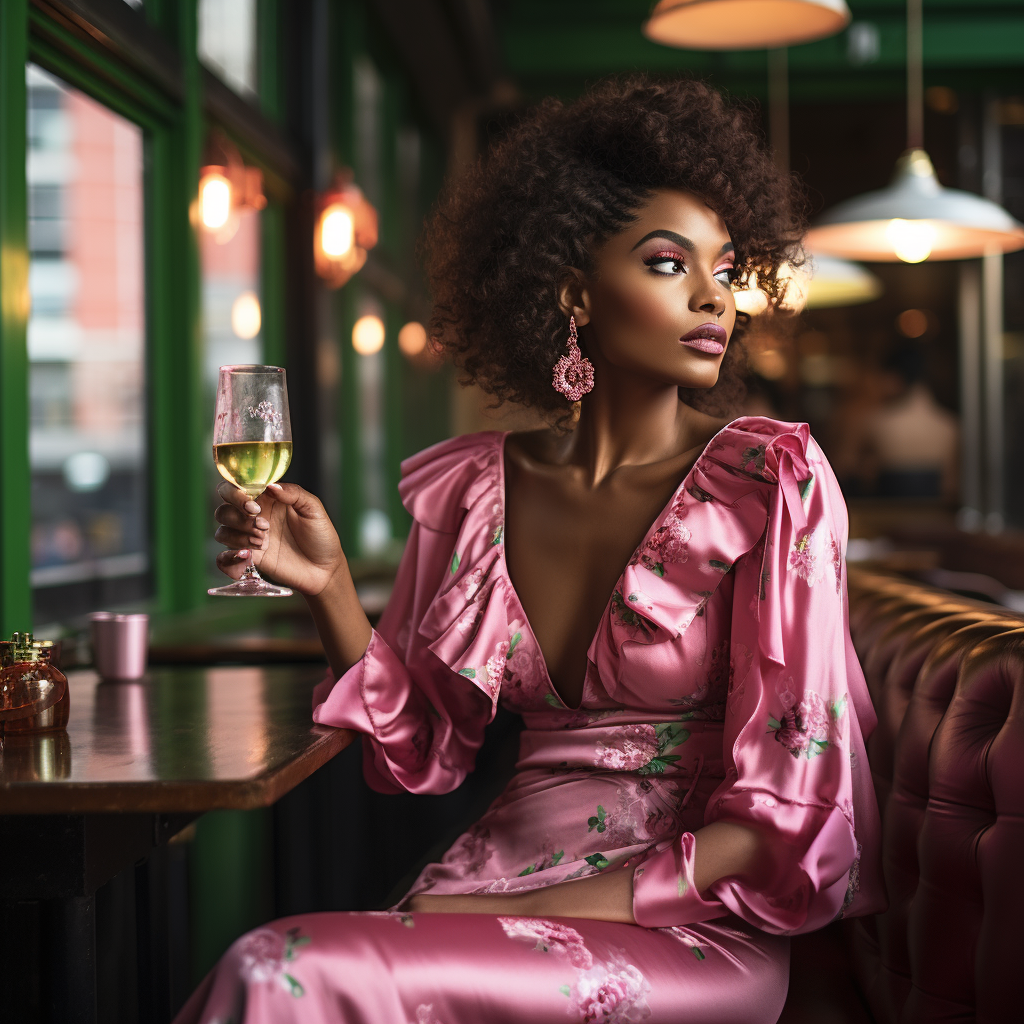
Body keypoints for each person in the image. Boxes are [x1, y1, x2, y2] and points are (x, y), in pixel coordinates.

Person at [177, 77, 883, 1024]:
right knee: (291, 969)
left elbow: (786, 816)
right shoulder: (475, 489)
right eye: (671, 264)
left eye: (725, 268)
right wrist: (330, 585)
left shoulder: (772, 481)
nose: (715, 297)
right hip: (490, 881)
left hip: (685, 927)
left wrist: (516, 908)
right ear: (572, 291)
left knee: (283, 969)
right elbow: (420, 748)